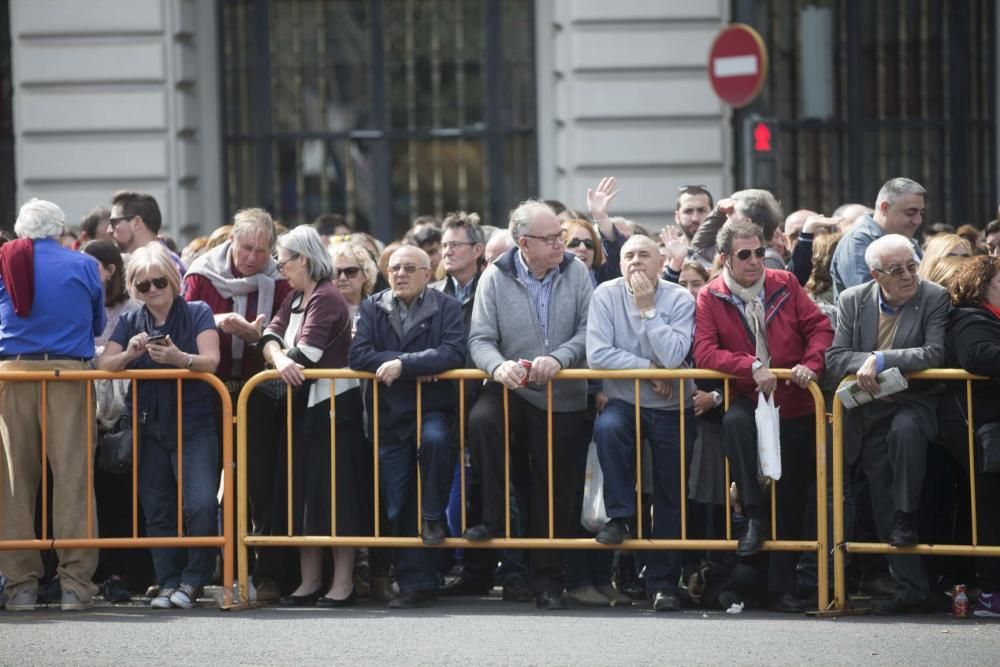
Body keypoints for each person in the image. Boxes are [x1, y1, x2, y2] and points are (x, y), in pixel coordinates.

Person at [693, 220, 833, 613]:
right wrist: (749, 364)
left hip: (794, 400)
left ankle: (780, 588)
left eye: (758, 252)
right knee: (735, 422)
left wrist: (810, 364)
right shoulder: (710, 295)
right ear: (725, 258)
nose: (755, 260)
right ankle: (752, 515)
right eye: (744, 254)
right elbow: (704, 352)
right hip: (750, 395)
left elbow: (820, 328)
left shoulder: (785, 283)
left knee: (790, 493)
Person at [464, 200, 594, 611]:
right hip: (512, 385)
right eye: (551, 238)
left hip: (563, 394)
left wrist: (559, 359)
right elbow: (479, 339)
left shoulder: (577, 271)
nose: (561, 243)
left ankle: (548, 583)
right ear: (524, 243)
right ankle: (494, 515)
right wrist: (497, 366)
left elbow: (590, 331)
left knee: (553, 491)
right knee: (482, 420)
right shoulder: (494, 276)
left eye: (561, 236)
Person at [825, 233, 951, 615]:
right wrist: (863, 363)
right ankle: (910, 588)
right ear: (875, 274)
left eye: (912, 265)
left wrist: (881, 358)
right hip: (869, 409)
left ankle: (907, 517)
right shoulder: (852, 300)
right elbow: (835, 359)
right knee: (881, 493)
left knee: (905, 434)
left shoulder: (934, 297)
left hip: (914, 403)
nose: (909, 275)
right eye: (897, 270)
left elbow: (934, 352)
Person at [97, 243, 220, 610]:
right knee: (157, 507)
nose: (153, 290)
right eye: (144, 285)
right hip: (148, 425)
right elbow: (105, 365)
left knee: (199, 504)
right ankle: (168, 580)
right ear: (134, 287)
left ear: (173, 279)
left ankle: (195, 579)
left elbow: (211, 360)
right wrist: (130, 354)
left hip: (193, 424)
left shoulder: (198, 311)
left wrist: (180, 358)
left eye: (159, 282)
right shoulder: (133, 320)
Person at [0, 199, 105, 612]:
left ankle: (20, 587)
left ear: (22, 231)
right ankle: (75, 586)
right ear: (61, 230)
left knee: (13, 485)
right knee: (74, 481)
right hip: (68, 375)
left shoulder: (6, 260)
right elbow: (96, 324)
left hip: (12, 376)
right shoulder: (81, 264)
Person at [183, 208, 293, 602]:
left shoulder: (281, 279)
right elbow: (184, 322)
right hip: (209, 390)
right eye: (246, 248)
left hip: (258, 389)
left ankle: (267, 573)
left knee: (260, 482)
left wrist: (257, 335)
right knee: (206, 485)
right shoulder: (200, 272)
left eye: (261, 252)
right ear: (232, 242)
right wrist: (217, 320)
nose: (252, 258)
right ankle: (208, 571)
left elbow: (285, 329)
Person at [258, 226, 370, 608]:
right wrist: (278, 358)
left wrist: (283, 356)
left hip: (335, 408)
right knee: (305, 494)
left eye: (283, 260)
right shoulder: (293, 297)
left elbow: (310, 355)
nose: (279, 267)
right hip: (304, 408)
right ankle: (310, 580)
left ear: (302, 259)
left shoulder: (327, 297)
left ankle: (342, 582)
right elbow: (268, 339)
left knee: (338, 497)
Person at [349, 245, 465, 609]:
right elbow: (359, 356)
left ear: (427, 273)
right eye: (394, 268)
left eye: (409, 268)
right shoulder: (372, 306)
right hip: (389, 417)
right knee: (398, 505)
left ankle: (429, 542)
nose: (400, 274)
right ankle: (417, 579)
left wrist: (402, 366)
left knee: (435, 442)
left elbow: (454, 352)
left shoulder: (446, 306)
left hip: (433, 411)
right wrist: (412, 364)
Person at [587, 234, 696, 611]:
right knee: (608, 429)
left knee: (670, 494)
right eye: (628, 255)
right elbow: (598, 354)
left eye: (644, 255)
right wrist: (648, 368)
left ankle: (663, 584)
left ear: (660, 261)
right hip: (623, 401)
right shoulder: (605, 294)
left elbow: (675, 354)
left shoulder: (680, 298)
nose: (635, 261)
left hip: (672, 408)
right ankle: (620, 516)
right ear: (619, 263)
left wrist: (648, 310)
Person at [82, 240, 142, 604]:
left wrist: (107, 357)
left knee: (121, 494)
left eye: (93, 267)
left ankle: (122, 573)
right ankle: (94, 571)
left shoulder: (132, 309)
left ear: (110, 269)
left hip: (123, 409)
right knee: (89, 495)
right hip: (86, 409)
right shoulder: (77, 303)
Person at [946, 256, 1000, 617]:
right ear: (983, 286)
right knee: (991, 512)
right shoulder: (971, 317)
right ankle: (992, 593)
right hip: (985, 430)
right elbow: (978, 355)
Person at [830, 177, 926, 298]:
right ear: (885, 207)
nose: (918, 220)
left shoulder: (907, 239)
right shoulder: (856, 242)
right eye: (910, 213)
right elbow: (867, 299)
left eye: (921, 213)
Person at [689, 189, 786, 271]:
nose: (726, 218)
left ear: (746, 222)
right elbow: (699, 247)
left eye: (730, 213)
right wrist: (718, 212)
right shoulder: (738, 253)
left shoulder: (768, 259)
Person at [108, 191, 186, 275]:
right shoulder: (129, 264)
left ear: (136, 222)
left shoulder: (168, 267)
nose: (109, 230)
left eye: (114, 222)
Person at [329, 241, 379, 322]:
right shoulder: (322, 309)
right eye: (336, 272)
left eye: (351, 271)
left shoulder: (378, 310)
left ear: (366, 274)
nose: (342, 278)